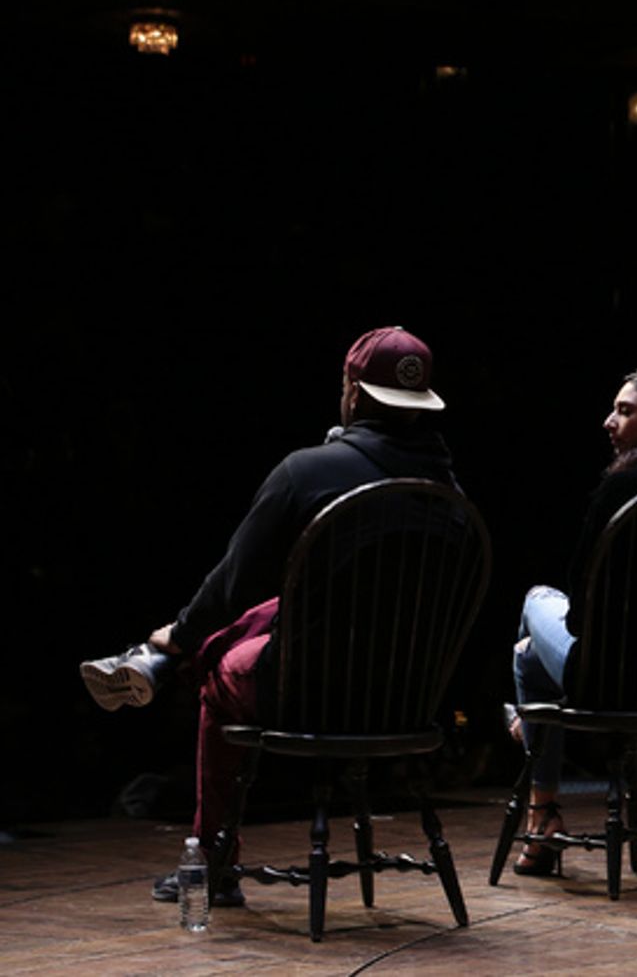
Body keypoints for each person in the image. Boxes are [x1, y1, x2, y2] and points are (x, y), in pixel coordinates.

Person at [78, 326, 458, 905]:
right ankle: (160, 657)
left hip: (308, 691)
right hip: (408, 696)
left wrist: (182, 632)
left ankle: (214, 861)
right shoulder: (448, 489)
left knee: (216, 669)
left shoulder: (308, 471)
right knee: (280, 610)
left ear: (352, 392)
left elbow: (232, 582)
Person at [509, 366, 637, 876]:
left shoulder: (623, 487)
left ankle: (539, 798)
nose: (608, 421)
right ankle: (530, 742)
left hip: (607, 681)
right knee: (530, 659)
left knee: (535, 606)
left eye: (625, 411)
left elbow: (578, 613)